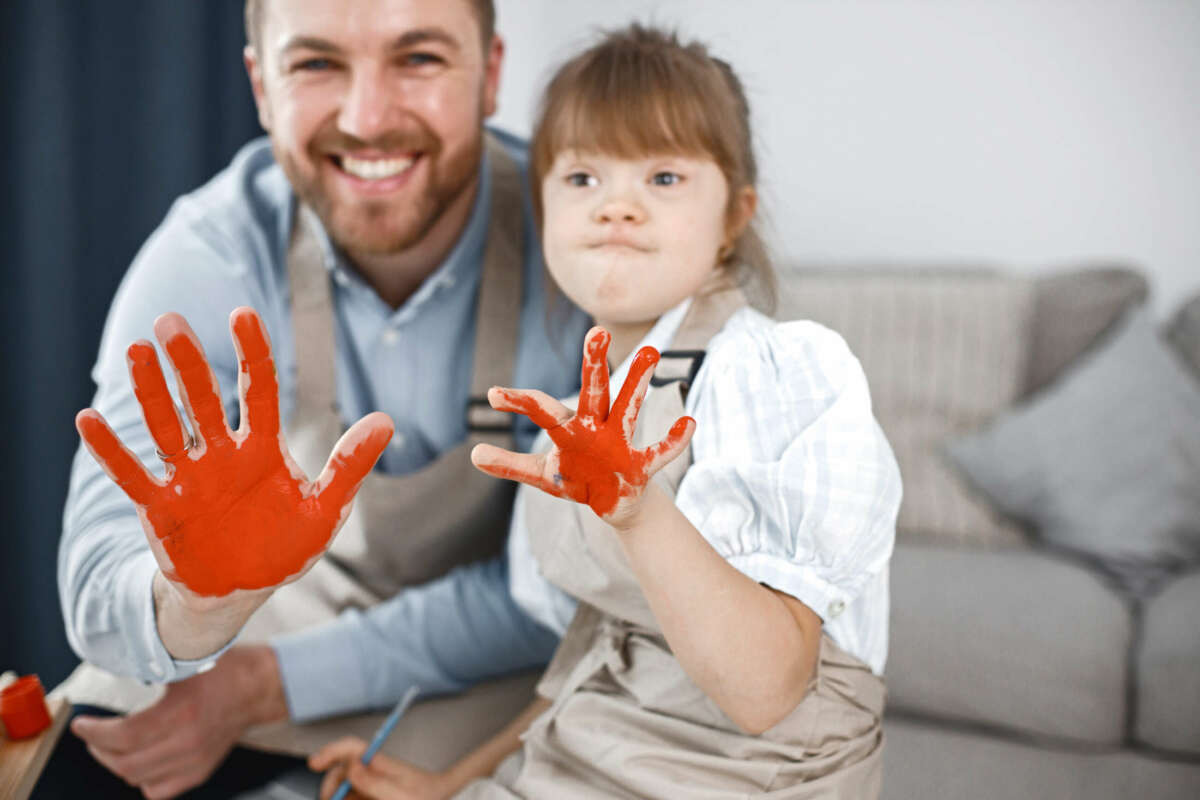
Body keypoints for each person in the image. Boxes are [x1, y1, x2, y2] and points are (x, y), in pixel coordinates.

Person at [310, 24, 903, 800]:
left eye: (663, 178)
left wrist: (639, 513)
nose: (617, 206)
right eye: (583, 178)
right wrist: (451, 783)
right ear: (544, 209)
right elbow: (598, 655)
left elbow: (767, 693)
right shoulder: (576, 411)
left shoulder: (777, 372)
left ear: (734, 216)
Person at [50, 0, 589, 797]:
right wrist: (194, 604)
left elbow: (559, 587)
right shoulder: (208, 254)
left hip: (492, 669)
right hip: (245, 631)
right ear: (260, 86)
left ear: (491, 75)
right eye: (315, 63)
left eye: (419, 59)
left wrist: (265, 685)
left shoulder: (586, 241)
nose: (368, 118)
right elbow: (99, 588)